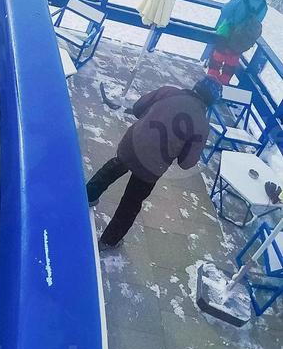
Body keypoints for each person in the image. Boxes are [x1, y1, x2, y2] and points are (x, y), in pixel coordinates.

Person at [87, 78, 216, 249]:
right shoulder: (201, 125)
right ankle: (109, 241)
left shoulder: (168, 91)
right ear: (210, 103)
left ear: (195, 86)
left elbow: (138, 108)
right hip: (153, 166)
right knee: (131, 202)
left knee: (114, 167)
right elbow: (186, 162)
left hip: (132, 144)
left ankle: (87, 196)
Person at [207, 0, 269, 85]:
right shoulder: (263, 5)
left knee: (218, 56)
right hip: (243, 39)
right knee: (232, 61)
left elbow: (226, 10)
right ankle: (223, 83)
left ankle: (210, 82)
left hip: (228, 33)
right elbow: (257, 20)